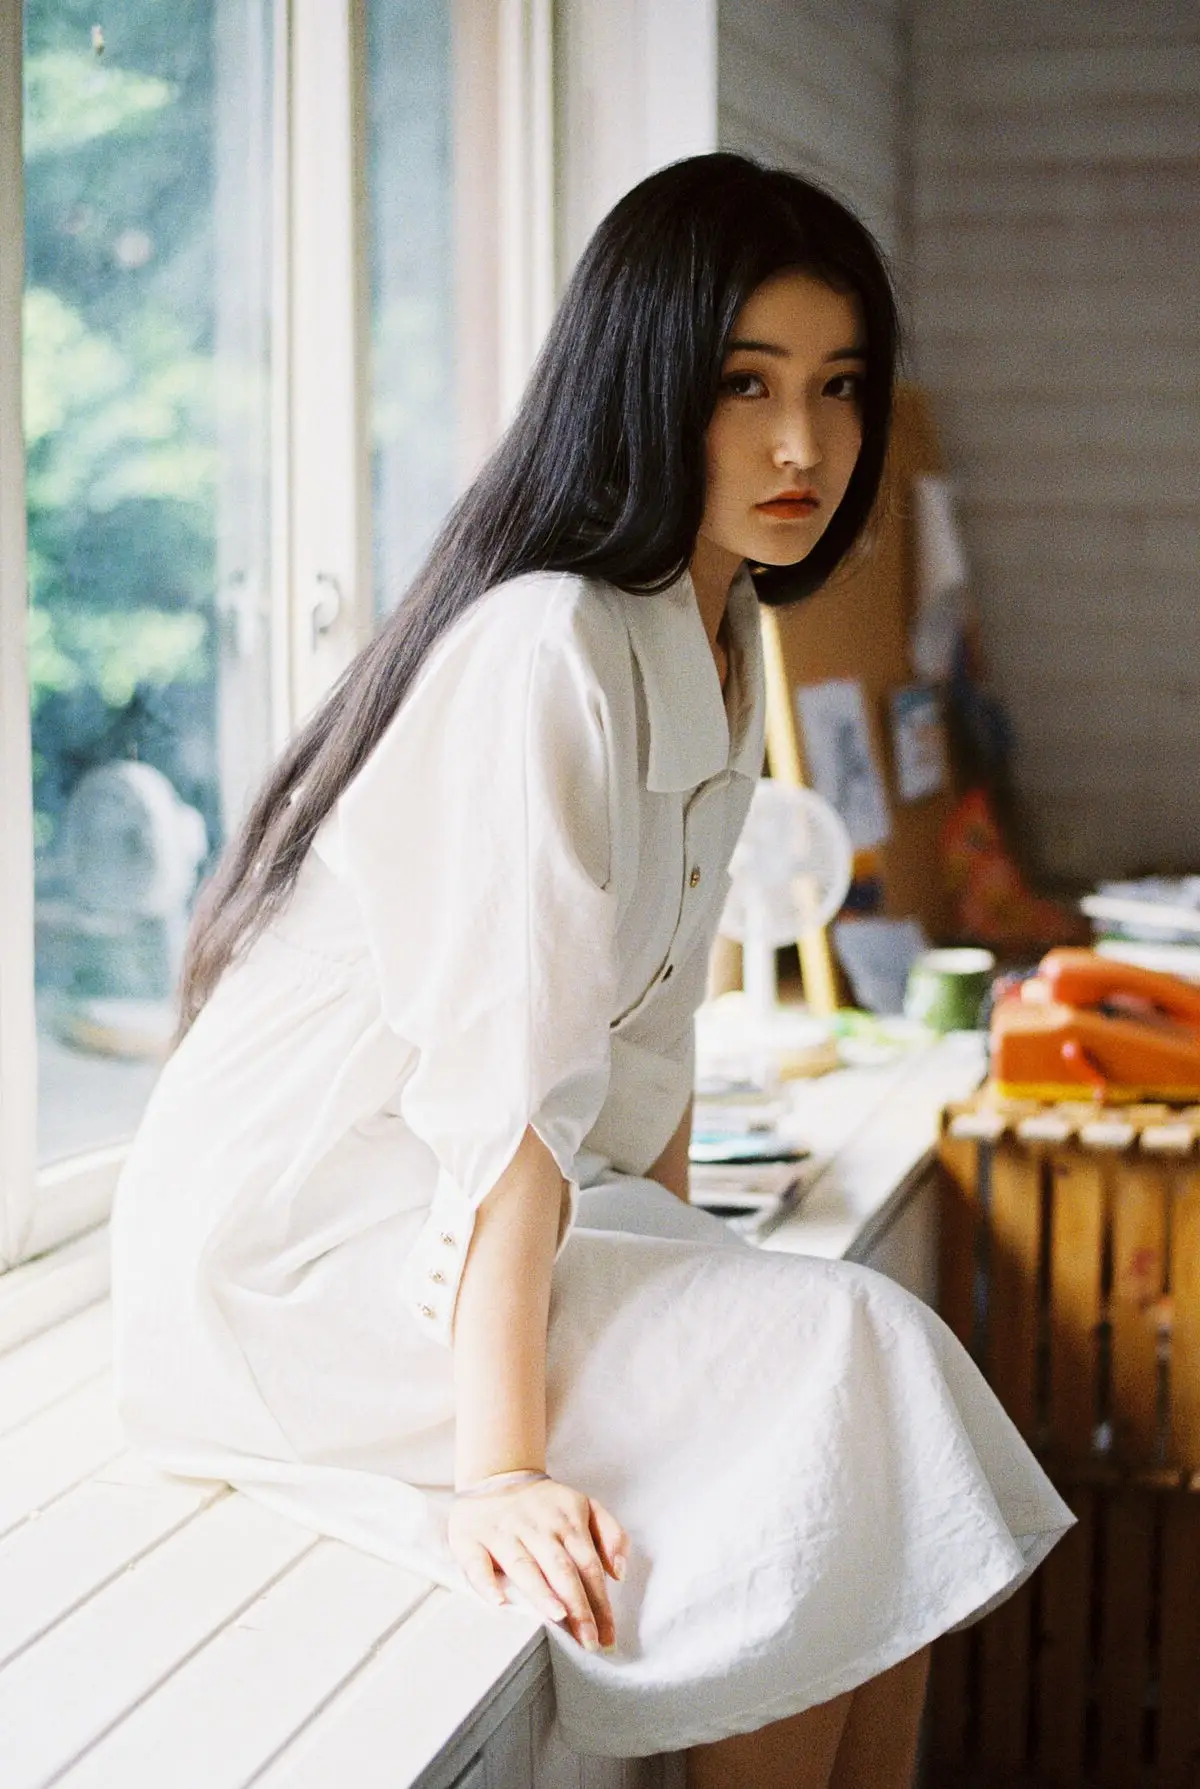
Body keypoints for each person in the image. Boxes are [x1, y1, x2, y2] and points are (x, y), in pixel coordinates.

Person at [110, 154, 1072, 1788]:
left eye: (841, 387)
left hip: (461, 1216)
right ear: (645, 385)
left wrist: (694, 1270)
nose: (804, 444)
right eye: (746, 385)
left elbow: (654, 1041)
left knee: (856, 1377)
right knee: (862, 1358)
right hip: (307, 1249)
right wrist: (499, 1472)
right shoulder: (547, 639)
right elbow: (511, 1095)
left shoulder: (723, 632)